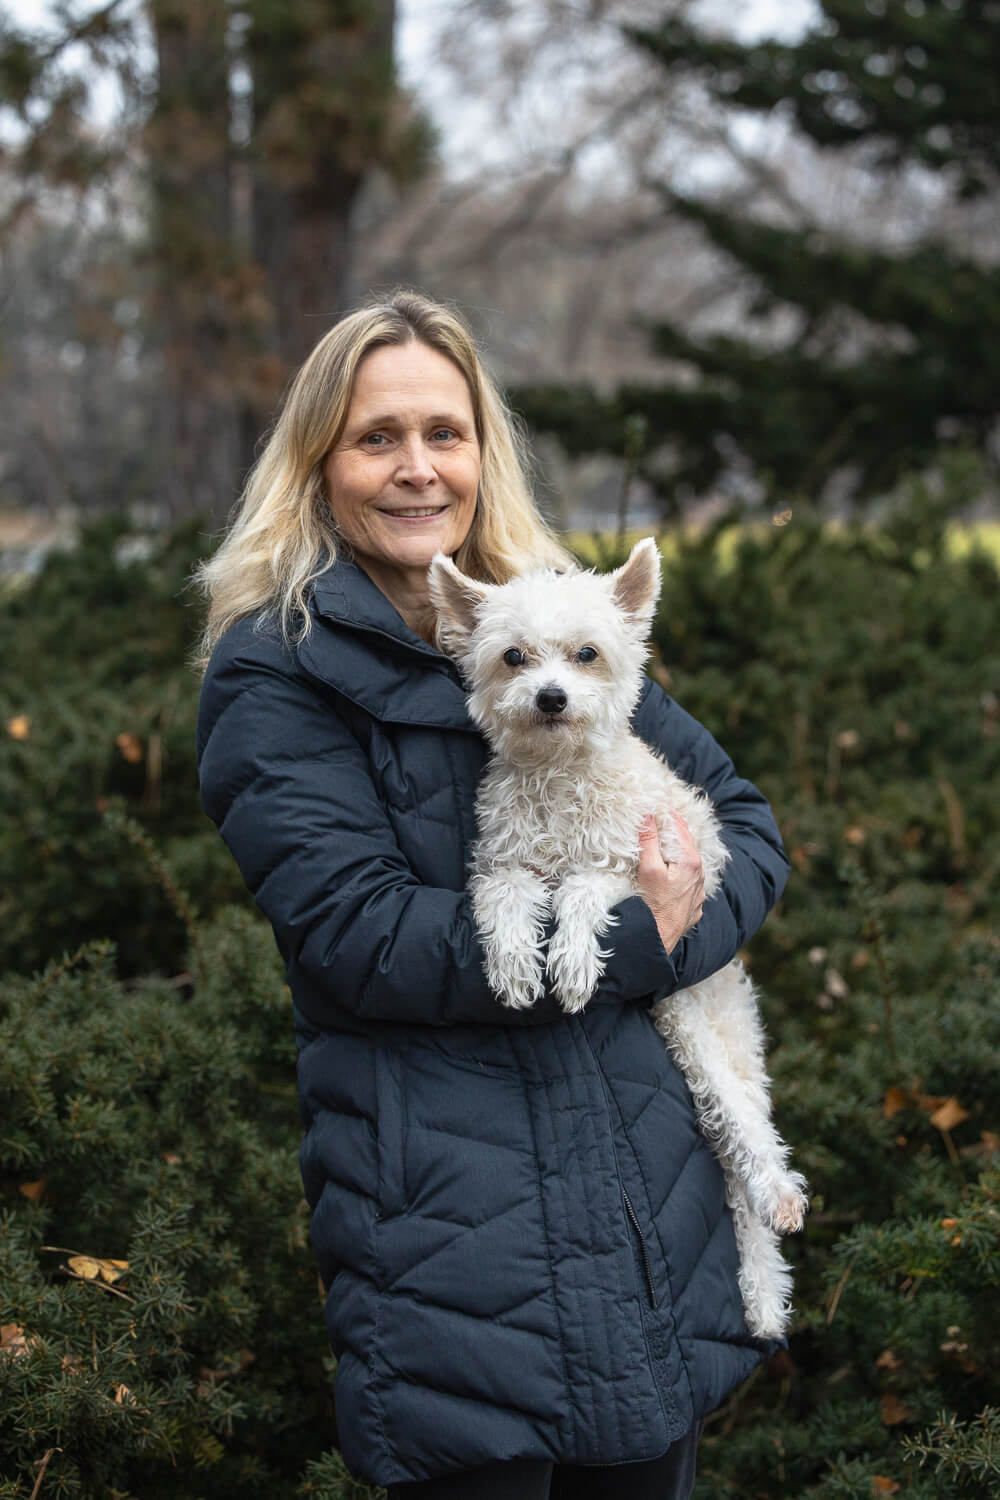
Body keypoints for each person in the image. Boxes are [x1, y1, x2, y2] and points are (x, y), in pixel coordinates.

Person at [194, 289, 791, 1499]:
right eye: (377, 438)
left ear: (483, 453)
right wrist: (639, 935)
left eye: (445, 434)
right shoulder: (279, 670)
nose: (419, 469)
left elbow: (743, 829)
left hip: (641, 1215)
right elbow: (362, 941)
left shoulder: (554, 620)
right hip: (447, 1237)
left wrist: (674, 919)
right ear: (317, 462)